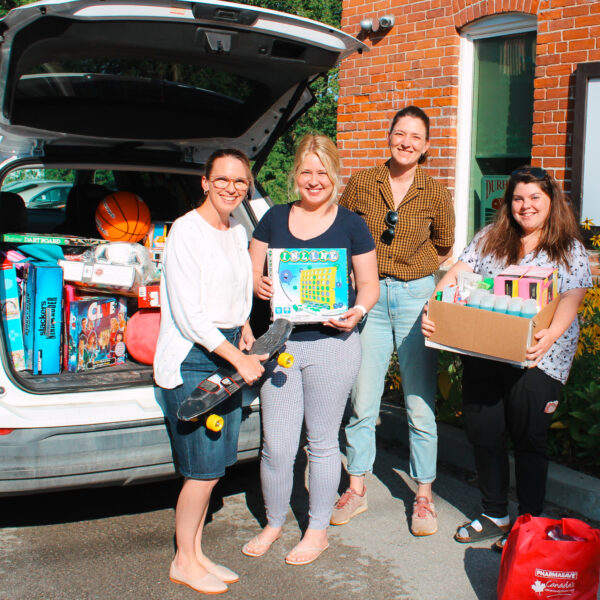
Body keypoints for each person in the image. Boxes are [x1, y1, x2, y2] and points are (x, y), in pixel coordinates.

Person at [421, 166, 591, 549]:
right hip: (485, 351)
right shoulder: (490, 238)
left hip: (538, 358)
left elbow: (572, 297)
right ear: (508, 203)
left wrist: (549, 336)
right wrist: (435, 309)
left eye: (534, 198)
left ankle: (529, 525)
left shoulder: (567, 247)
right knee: (484, 433)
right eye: (518, 198)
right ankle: (495, 513)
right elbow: (457, 273)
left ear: (550, 202)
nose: (525, 206)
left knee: (530, 439)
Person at [242, 134, 380, 565]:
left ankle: (317, 530)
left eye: (323, 172)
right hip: (279, 347)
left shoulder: (352, 224)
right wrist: (257, 284)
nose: (314, 180)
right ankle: (275, 521)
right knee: (277, 447)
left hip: (332, 345)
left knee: (321, 443)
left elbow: (370, 285)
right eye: (306, 171)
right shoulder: (273, 220)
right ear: (295, 176)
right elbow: (246, 277)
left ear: (335, 176)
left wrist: (357, 310)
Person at [331, 105, 455, 536]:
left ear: (425, 146)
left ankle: (423, 497)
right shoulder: (364, 182)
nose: (407, 142)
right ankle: (357, 487)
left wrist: (416, 282)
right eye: (400, 133)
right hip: (369, 297)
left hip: (415, 298)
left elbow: (444, 244)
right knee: (363, 399)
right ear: (390, 136)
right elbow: (341, 228)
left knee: (420, 402)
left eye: (416, 137)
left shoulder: (436, 192)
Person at [154, 149, 266, 595]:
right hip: (192, 357)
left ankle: (197, 553)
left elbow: (237, 290)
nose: (231, 188)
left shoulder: (237, 229)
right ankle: (183, 560)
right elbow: (189, 315)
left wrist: (244, 328)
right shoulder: (186, 231)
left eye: (240, 182)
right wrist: (239, 359)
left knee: (215, 468)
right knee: (200, 471)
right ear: (205, 181)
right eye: (222, 179)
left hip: (225, 351)